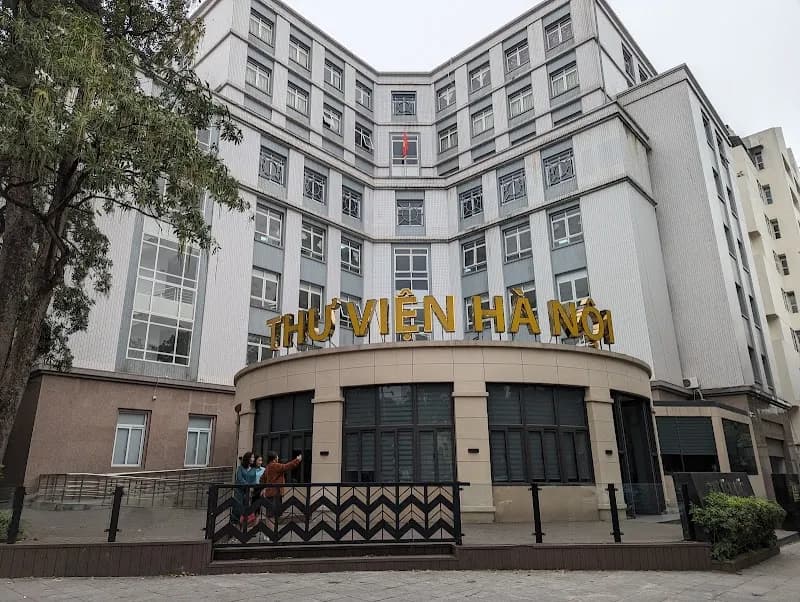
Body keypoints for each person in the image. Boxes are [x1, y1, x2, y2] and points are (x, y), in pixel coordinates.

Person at [260, 451, 302, 522]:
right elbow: (286, 466)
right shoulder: (275, 465)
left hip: (270, 493)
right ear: (274, 458)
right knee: (272, 515)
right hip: (275, 493)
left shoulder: (267, 467)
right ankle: (272, 532)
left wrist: (264, 488)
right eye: (277, 456)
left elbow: (261, 479)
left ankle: (271, 531)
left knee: (271, 514)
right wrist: (297, 460)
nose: (278, 458)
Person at [232, 452, 258, 530]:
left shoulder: (253, 469)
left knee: (247, 511)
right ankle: (236, 529)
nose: (253, 459)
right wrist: (247, 486)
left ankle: (244, 529)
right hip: (240, 492)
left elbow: (254, 480)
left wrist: (251, 488)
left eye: (253, 458)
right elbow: (239, 479)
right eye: (252, 457)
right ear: (248, 458)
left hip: (248, 493)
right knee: (237, 510)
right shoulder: (240, 468)